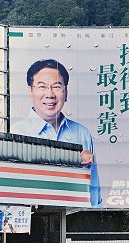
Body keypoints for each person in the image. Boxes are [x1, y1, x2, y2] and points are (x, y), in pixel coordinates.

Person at [12, 59, 101, 207]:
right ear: (31, 92)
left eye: (57, 87)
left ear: (66, 93)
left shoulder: (82, 133)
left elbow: (93, 187)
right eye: (42, 87)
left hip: (76, 219)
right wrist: (74, 158)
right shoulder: (18, 132)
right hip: (36, 217)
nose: (50, 94)